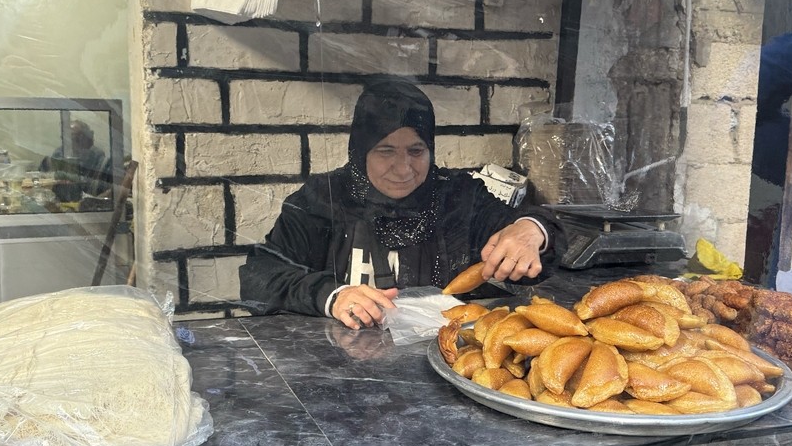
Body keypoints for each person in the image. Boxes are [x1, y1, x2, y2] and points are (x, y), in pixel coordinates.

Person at [238, 78, 566, 328]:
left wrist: (530, 230)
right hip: (340, 375)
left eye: (416, 150)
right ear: (360, 150)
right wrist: (332, 296)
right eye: (385, 151)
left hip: (446, 366)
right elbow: (260, 276)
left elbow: (536, 237)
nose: (403, 168)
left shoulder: (457, 197)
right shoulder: (324, 200)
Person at [40, 119, 111, 201]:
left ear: (90, 137)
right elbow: (43, 178)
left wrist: (96, 200)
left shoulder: (101, 160)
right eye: (69, 140)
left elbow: (113, 190)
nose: (76, 144)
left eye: (78, 139)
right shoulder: (58, 154)